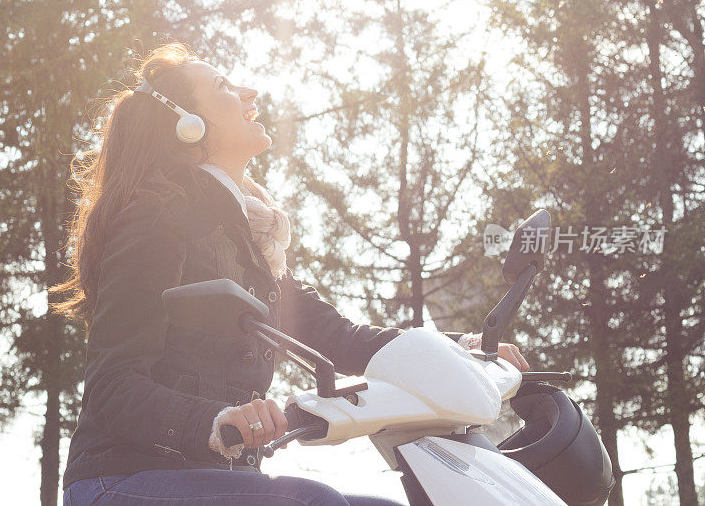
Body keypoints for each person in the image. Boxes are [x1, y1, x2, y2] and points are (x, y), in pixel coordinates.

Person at [50, 41, 530, 506]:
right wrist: (215, 419)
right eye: (223, 86)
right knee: (311, 502)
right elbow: (113, 384)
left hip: (212, 480)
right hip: (121, 482)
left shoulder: (250, 244)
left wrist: (460, 348)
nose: (249, 93)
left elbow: (342, 338)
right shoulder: (156, 218)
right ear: (188, 124)